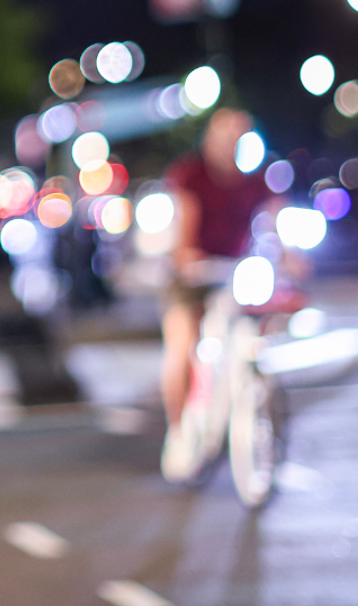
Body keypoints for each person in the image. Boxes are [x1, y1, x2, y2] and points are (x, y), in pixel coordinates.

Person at [159, 108, 270, 481]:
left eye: (238, 136)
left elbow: (274, 220)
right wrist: (187, 253)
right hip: (193, 274)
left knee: (258, 326)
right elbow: (184, 226)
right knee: (183, 344)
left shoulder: (256, 180)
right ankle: (178, 431)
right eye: (224, 135)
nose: (230, 143)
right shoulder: (192, 173)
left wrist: (290, 257)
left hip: (235, 274)